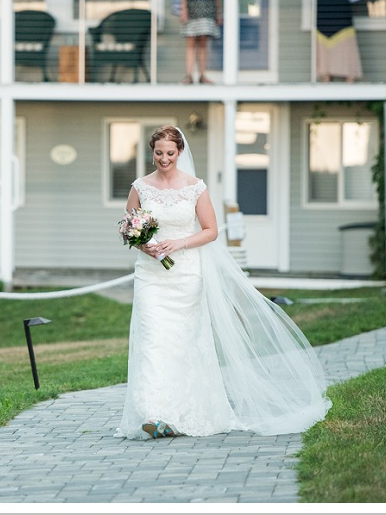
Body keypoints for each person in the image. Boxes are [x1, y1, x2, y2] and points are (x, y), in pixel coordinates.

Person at [114, 125, 331, 440]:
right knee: (152, 339)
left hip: (186, 274)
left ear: (180, 153)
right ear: (152, 153)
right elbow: (128, 224)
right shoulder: (141, 186)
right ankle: (153, 413)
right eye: (158, 153)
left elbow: (211, 230)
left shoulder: (195, 187)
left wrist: (179, 244)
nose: (164, 159)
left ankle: (181, 411)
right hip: (150, 275)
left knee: (181, 344)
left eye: (170, 153)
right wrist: (141, 243)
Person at [315, 0, 363, 83]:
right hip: (323, 7)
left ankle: (349, 89)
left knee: (346, 47)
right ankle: (326, 85)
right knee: (325, 57)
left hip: (341, 7)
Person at [179, 0, 222, 85]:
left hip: (207, 8)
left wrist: (218, 12)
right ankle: (189, 76)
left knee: (203, 44)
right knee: (191, 44)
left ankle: (202, 76)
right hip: (192, 8)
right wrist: (184, 9)